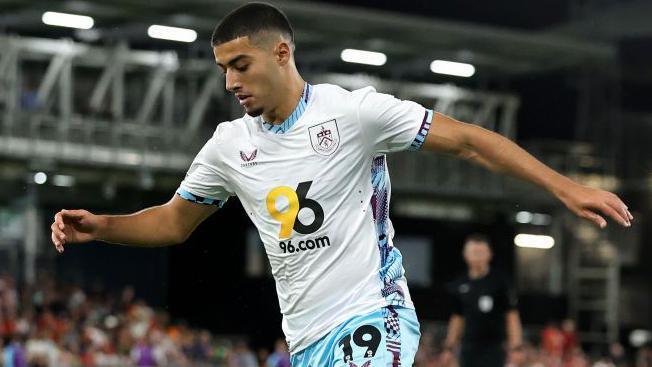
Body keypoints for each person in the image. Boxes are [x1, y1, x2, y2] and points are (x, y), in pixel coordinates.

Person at [49, 2, 634, 366]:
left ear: (281, 53)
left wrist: (564, 186)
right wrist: (102, 227)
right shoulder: (229, 146)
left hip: (373, 317)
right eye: (222, 68)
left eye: (240, 65)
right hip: (304, 341)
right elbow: (174, 221)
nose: (229, 82)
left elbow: (469, 139)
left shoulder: (355, 115)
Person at [441, 235, 523, 367]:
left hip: (495, 348)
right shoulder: (459, 284)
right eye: (474, 253)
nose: (477, 257)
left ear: (489, 254)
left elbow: (512, 315)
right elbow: (457, 318)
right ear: (465, 255)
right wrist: (449, 348)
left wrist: (516, 347)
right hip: (468, 348)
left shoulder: (501, 282)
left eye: (481, 253)